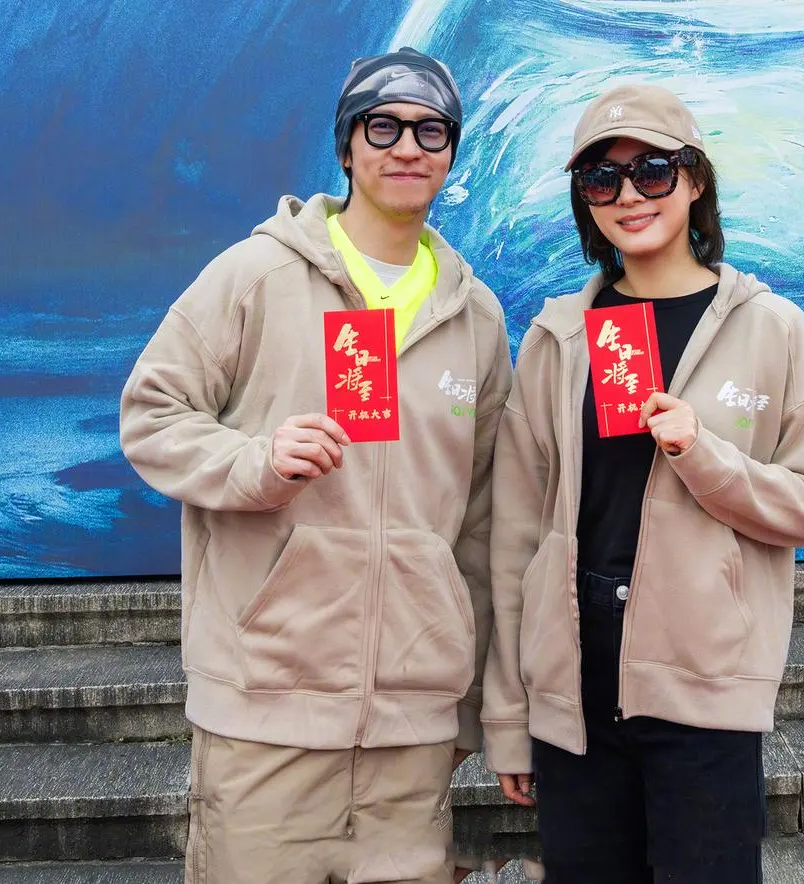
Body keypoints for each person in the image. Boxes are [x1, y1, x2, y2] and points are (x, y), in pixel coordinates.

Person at [120, 47, 512, 884]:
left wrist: (470, 708)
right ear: (346, 145)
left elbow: (482, 521)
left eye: (431, 130)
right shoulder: (255, 274)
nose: (407, 147)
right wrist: (256, 461)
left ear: (451, 153)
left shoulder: (477, 318)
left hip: (412, 734)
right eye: (383, 126)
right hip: (266, 716)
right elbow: (152, 414)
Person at [481, 84, 804, 883]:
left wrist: (703, 455)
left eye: (652, 171)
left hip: (703, 682)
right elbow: (515, 538)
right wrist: (512, 716)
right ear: (585, 201)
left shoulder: (773, 329)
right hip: (577, 684)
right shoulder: (556, 337)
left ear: (695, 181)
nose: (629, 195)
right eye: (602, 179)